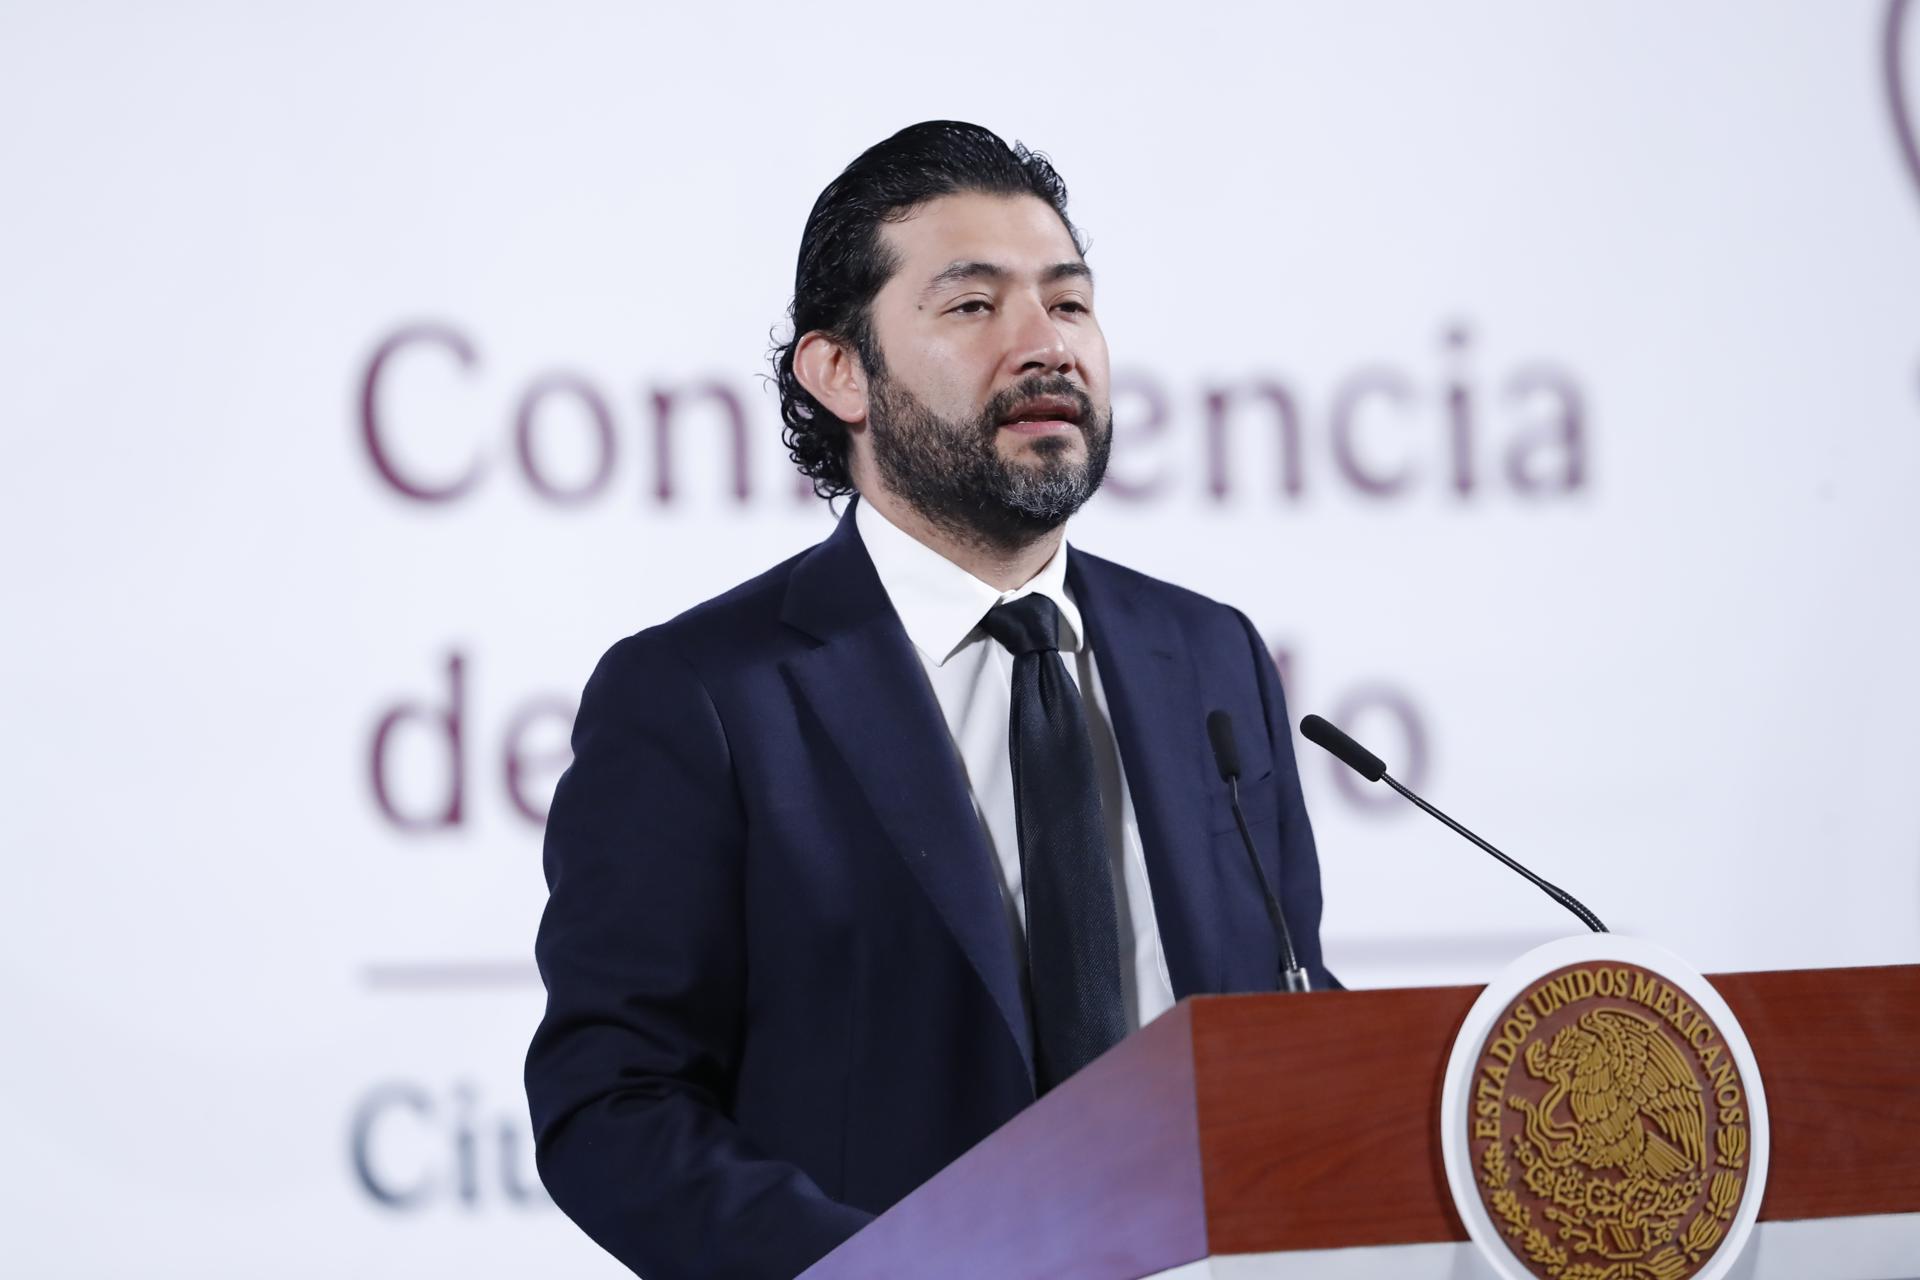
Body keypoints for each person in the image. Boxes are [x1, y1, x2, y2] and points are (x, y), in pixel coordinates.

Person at [525, 120, 1335, 1280]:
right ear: (839, 372)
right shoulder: (702, 695)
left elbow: (1288, 1010)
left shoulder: (1207, 656)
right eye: (972, 306)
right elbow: (613, 1102)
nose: (1044, 345)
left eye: (1069, 303)